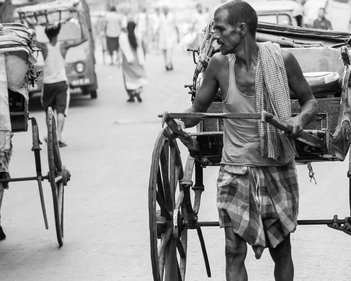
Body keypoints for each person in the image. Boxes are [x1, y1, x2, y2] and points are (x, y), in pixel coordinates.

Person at [175, 1, 318, 280]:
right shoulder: (218, 65)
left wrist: (297, 121)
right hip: (235, 171)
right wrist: (179, 123)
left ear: (241, 30)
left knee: (282, 250)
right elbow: (196, 110)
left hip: (276, 167)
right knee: (233, 251)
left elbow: (309, 101)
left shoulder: (282, 60)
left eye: (219, 28)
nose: (214, 35)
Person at [36, 24, 87, 147]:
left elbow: (31, 41)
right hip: (61, 83)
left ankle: (50, 134)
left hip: (48, 84)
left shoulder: (44, 47)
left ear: (47, 35)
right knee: (61, 110)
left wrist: (32, 26)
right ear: (57, 34)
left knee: (48, 110)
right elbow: (83, 39)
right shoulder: (63, 46)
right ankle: (58, 135)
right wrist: (82, 23)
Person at [119, 21, 148, 102]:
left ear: (127, 28)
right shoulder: (139, 36)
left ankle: (131, 95)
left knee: (128, 78)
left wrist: (118, 60)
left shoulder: (122, 37)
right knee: (138, 77)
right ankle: (138, 92)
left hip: (128, 61)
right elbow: (143, 48)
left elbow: (120, 49)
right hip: (138, 60)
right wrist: (144, 57)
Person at [158, 6, 179, 71]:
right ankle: (167, 64)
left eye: (166, 9)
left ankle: (168, 64)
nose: (165, 10)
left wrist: (178, 37)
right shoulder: (160, 16)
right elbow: (159, 26)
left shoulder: (172, 16)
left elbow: (176, 26)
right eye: (163, 9)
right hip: (163, 36)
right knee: (164, 50)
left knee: (169, 50)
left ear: (168, 9)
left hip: (171, 36)